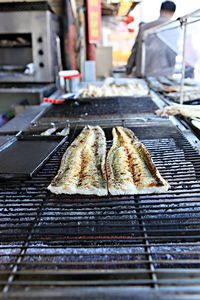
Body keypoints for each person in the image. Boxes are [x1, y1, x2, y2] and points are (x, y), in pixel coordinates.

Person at [126, 1, 176, 77]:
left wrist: (128, 70)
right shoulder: (173, 28)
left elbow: (135, 51)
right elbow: (172, 53)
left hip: (142, 71)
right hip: (162, 74)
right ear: (173, 13)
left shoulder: (144, 27)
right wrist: (171, 71)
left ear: (160, 10)